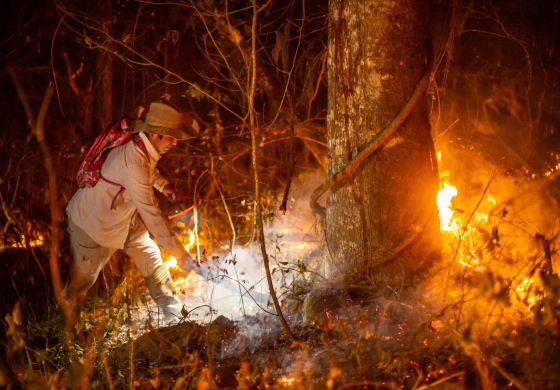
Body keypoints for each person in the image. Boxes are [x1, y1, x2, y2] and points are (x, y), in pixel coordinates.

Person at [64, 100, 199, 322]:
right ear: (154, 134)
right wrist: (183, 257)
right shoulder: (135, 163)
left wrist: (165, 186)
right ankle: (67, 336)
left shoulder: (140, 145)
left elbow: (148, 172)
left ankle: (176, 317)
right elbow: (153, 216)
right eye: (170, 136)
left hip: (123, 219)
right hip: (93, 226)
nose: (175, 142)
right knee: (81, 283)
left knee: (151, 257)